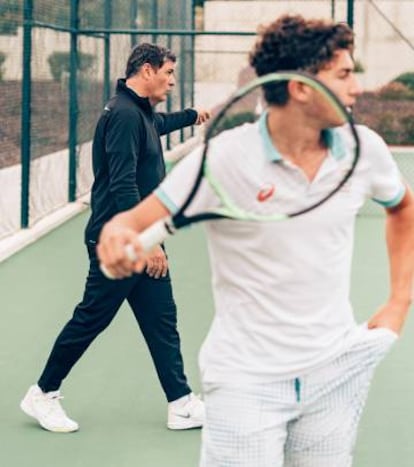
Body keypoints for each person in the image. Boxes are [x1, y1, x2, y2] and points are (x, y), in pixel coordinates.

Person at [97, 16, 414, 467]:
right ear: (301, 87)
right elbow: (130, 222)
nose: (356, 88)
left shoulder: (364, 151)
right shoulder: (224, 158)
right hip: (246, 382)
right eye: (344, 74)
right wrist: (117, 240)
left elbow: (403, 206)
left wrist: (400, 300)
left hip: (333, 370)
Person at [20, 43, 210, 433]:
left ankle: (181, 402)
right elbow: (124, 185)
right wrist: (148, 241)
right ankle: (42, 393)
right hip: (121, 241)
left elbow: (156, 127)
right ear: (145, 70)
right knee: (92, 318)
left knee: (161, 319)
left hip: (137, 237)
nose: (172, 81)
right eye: (168, 73)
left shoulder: (135, 110)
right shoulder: (124, 115)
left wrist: (192, 116)